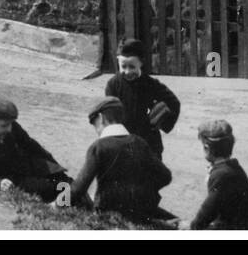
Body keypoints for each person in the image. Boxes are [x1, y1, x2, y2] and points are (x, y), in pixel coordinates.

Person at [70, 96, 172, 225]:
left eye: (94, 123)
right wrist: (142, 191)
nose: (96, 129)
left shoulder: (98, 146)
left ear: (101, 118)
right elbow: (165, 176)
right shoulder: (139, 142)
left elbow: (78, 188)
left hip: (107, 211)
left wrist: (58, 203)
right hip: (137, 209)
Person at [0, 98, 72, 201]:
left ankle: (78, 205)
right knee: (57, 188)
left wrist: (54, 166)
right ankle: (66, 208)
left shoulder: (10, 125)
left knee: (66, 181)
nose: (9, 129)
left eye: (10, 124)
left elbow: (30, 145)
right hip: (12, 179)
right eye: (4, 126)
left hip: (25, 167)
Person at [104, 39, 180, 160]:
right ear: (118, 63)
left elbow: (173, 102)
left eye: (132, 67)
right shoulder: (113, 85)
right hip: (122, 136)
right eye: (123, 66)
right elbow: (109, 113)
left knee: (151, 173)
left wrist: (161, 121)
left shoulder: (149, 83)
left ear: (141, 63)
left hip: (147, 138)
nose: (127, 71)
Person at [184, 119, 248, 230]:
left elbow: (209, 209)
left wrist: (192, 226)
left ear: (206, 148)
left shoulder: (221, 175)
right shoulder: (233, 166)